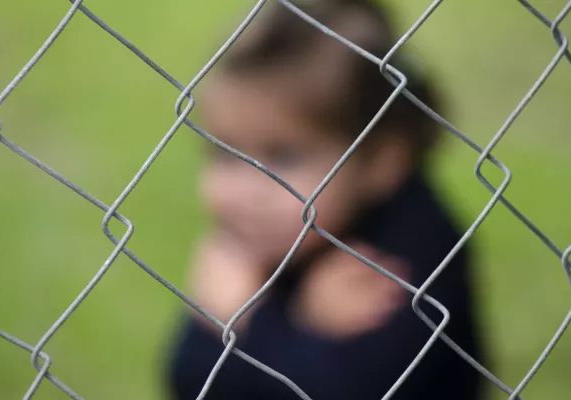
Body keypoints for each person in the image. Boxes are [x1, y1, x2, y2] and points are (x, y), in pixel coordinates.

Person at [166, 0, 484, 398]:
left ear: (383, 160)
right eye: (225, 152)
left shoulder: (409, 252)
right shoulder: (262, 234)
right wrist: (300, 326)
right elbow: (188, 376)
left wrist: (249, 319)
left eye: (284, 157)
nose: (244, 192)